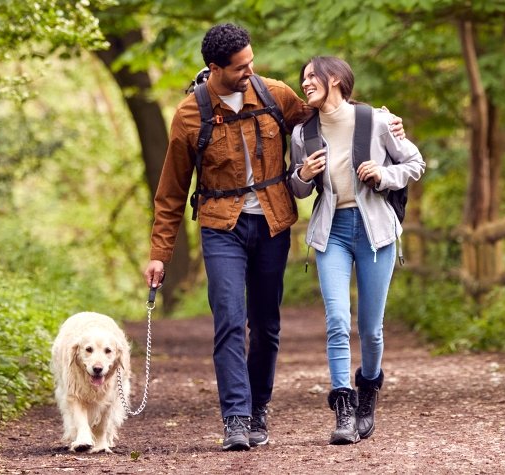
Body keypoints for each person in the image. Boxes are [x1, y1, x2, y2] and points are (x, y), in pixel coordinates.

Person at [142, 24, 405, 451]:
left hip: (271, 222)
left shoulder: (273, 94)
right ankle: (237, 418)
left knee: (265, 324)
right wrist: (160, 254)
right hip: (219, 225)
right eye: (241, 67)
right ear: (215, 68)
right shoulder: (190, 115)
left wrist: (381, 122)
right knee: (228, 319)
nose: (251, 70)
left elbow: (329, 116)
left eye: (251, 61)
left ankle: (259, 406)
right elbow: (170, 191)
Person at [286, 56, 425, 445]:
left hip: (375, 232)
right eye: (303, 77)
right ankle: (344, 409)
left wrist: (383, 175)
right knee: (336, 320)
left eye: (313, 76)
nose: (306, 82)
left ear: (335, 79)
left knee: (370, 329)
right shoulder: (302, 134)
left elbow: (414, 163)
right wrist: (302, 175)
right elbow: (296, 188)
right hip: (332, 233)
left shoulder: (376, 121)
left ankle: (368, 394)